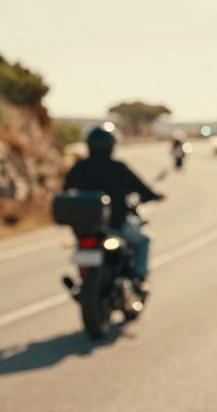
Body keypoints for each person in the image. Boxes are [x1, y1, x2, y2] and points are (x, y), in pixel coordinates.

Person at [64, 123, 163, 290]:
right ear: (111, 145)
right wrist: (154, 195)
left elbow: (66, 193)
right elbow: (142, 189)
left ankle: (83, 282)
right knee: (143, 240)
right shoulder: (118, 168)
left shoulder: (79, 168)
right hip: (116, 225)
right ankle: (139, 278)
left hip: (85, 228)